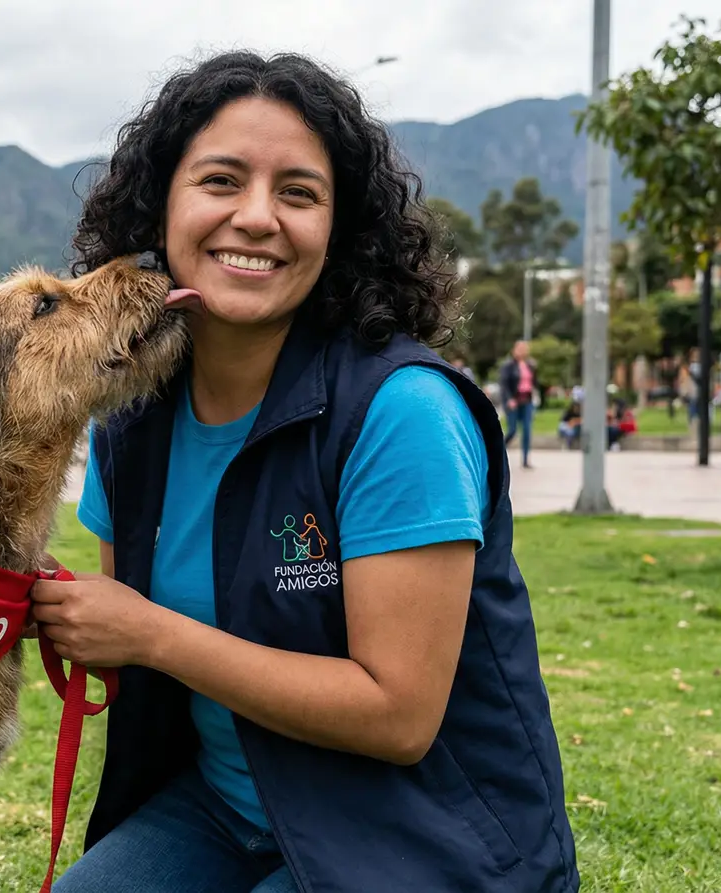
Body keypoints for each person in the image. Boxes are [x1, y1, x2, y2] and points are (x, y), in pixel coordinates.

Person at [31, 52, 576, 893]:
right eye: (220, 180)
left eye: (298, 192)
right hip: (224, 807)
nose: (256, 217)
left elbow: (398, 715)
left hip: (416, 827)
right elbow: (121, 647)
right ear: (163, 204)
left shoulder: (402, 412)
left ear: (340, 228)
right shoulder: (129, 423)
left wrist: (150, 632)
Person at [499, 340, 538, 469]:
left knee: (527, 430)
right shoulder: (508, 366)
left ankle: (526, 460)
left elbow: (534, 383)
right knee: (512, 430)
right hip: (513, 402)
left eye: (524, 348)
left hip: (526, 401)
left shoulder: (530, 365)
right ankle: (497, 453)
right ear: (514, 350)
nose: (522, 351)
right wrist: (509, 399)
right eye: (519, 348)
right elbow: (504, 385)